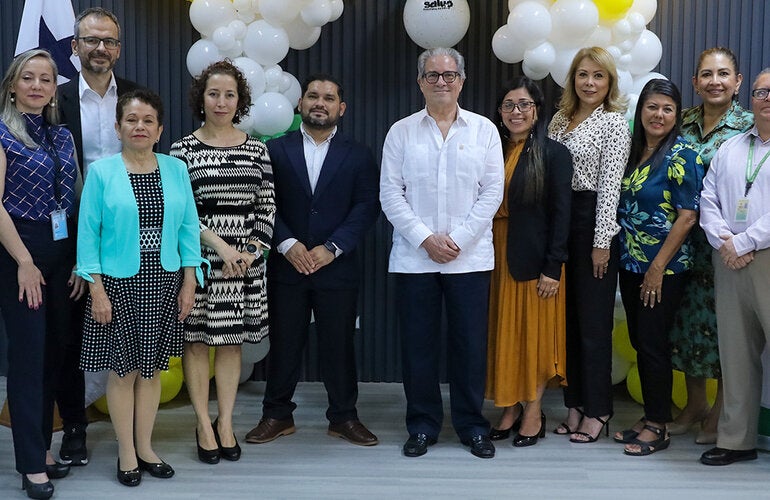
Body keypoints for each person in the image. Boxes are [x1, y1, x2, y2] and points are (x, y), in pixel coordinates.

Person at [76, 89, 204, 486]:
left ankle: (146, 447)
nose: (139, 126)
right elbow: (88, 236)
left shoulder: (176, 169)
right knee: (124, 371)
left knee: (151, 371)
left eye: (148, 120)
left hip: (164, 282)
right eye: (131, 120)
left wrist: (189, 281)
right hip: (118, 285)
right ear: (118, 128)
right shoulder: (102, 173)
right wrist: (96, 289)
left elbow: (188, 230)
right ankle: (126, 452)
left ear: (160, 130)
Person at [381, 47, 504, 459]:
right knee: (418, 347)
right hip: (414, 259)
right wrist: (425, 239)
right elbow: (390, 194)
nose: (441, 82)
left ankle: (472, 426)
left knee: (470, 347)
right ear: (420, 82)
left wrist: (459, 239)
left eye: (449, 75)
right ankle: (422, 425)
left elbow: (492, 193)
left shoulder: (484, 130)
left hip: (470, 259)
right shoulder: (401, 132)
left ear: (462, 81)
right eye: (432, 75)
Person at [244, 74, 380, 448]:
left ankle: (344, 417)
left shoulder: (359, 153)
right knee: (285, 343)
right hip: (287, 265)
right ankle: (276, 415)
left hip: (336, 267)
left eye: (329, 98)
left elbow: (367, 206)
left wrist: (332, 247)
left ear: (342, 108)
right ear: (300, 103)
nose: (320, 102)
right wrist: (287, 243)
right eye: (313, 96)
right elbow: (262, 202)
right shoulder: (274, 150)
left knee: (339, 344)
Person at [170, 60, 275, 464]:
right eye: (213, 93)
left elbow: (267, 205)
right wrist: (222, 248)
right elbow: (182, 213)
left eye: (229, 94)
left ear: (239, 100)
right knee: (196, 343)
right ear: (202, 98)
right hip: (199, 266)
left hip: (244, 267)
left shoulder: (256, 148)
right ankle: (202, 423)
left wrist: (251, 251)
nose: (221, 101)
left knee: (232, 345)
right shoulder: (182, 150)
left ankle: (225, 422)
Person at [56, 6, 143, 466]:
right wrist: (77, 254)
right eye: (91, 40)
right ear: (75, 46)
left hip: (131, 235)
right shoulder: (55, 100)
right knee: (70, 336)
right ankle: (74, 427)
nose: (100, 48)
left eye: (108, 40)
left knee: (133, 334)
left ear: (119, 48)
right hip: (71, 233)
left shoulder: (135, 97)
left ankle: (136, 436)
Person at [0, 49, 84, 500]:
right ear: (13, 86)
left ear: (54, 89)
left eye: (45, 79)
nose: (36, 86)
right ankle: (31, 465)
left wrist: (78, 260)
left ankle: (44, 449)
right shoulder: (1, 132)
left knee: (55, 354)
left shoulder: (62, 135)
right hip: (21, 253)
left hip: (62, 251)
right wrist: (25, 262)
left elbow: (75, 198)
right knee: (29, 359)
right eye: (28, 78)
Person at [613, 79, 703, 456]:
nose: (659, 115)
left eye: (668, 109)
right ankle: (652, 414)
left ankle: (658, 426)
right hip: (631, 262)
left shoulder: (683, 154)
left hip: (664, 269)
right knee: (641, 341)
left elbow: (688, 216)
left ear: (676, 115)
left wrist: (657, 268)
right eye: (652, 107)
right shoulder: (633, 151)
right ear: (641, 111)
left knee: (653, 344)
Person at [668, 47, 753, 444]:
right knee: (686, 326)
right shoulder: (680, 121)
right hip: (683, 242)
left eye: (723, 74)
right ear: (695, 82)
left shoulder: (750, 126)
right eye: (706, 74)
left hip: (729, 245)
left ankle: (720, 411)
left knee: (726, 330)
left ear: (737, 82)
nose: (714, 81)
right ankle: (694, 404)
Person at [547, 47, 631, 442]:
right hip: (559, 223)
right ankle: (575, 405)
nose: (590, 82)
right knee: (566, 324)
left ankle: (598, 409)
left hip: (593, 224)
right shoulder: (559, 119)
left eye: (598, 75)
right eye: (583, 74)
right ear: (573, 79)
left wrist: (601, 242)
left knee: (593, 326)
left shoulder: (613, 123)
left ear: (609, 81)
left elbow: (611, 188)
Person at [485, 77, 573, 447]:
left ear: (537, 111)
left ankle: (533, 411)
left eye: (524, 104)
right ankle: (509, 406)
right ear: (499, 111)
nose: (516, 111)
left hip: (535, 261)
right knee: (505, 335)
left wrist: (553, 267)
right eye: (508, 105)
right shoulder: (489, 149)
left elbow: (562, 215)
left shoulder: (553, 154)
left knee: (532, 339)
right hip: (493, 256)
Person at [699, 69, 770, 466]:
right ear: (751, 97)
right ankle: (737, 441)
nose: (767, 99)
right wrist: (724, 239)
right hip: (727, 259)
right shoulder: (731, 147)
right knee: (736, 354)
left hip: (764, 256)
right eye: (762, 92)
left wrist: (742, 242)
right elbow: (707, 198)